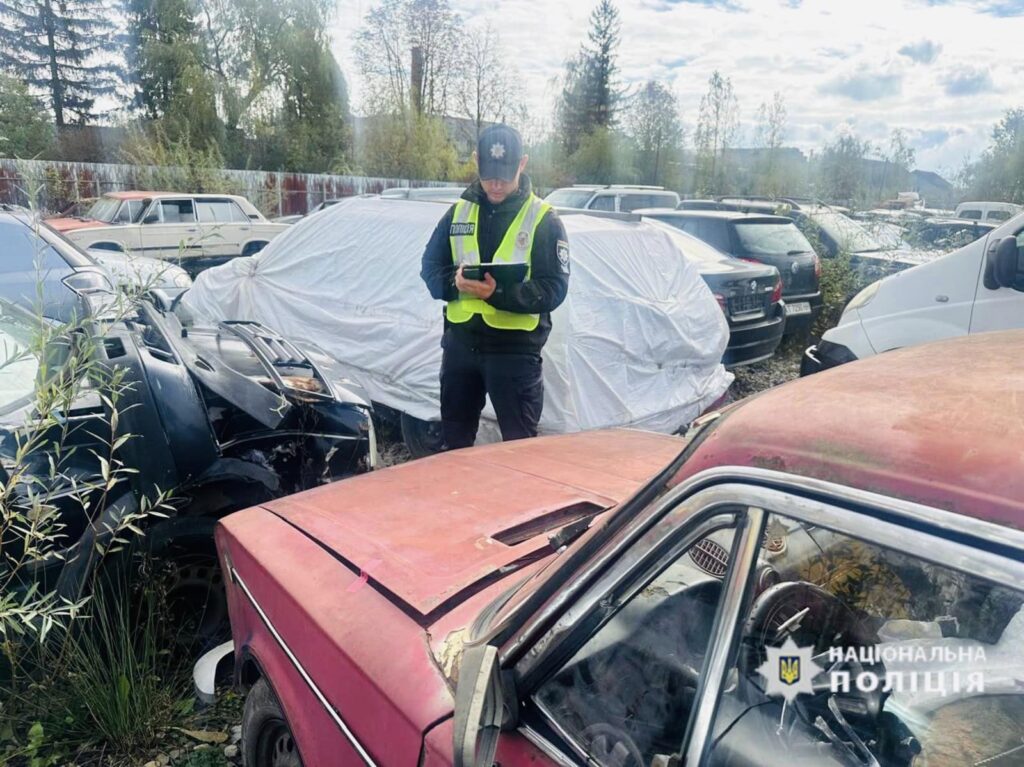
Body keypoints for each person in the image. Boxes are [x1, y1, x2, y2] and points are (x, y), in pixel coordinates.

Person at [420, 124, 570, 449]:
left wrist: (497, 295)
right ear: (476, 160)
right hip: (460, 349)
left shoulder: (543, 219)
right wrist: (455, 284)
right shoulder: (458, 212)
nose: (496, 183)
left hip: (515, 354)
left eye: (504, 174)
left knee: (520, 453)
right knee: (454, 447)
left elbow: (555, 287)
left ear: (523, 163)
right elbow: (430, 269)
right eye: (489, 174)